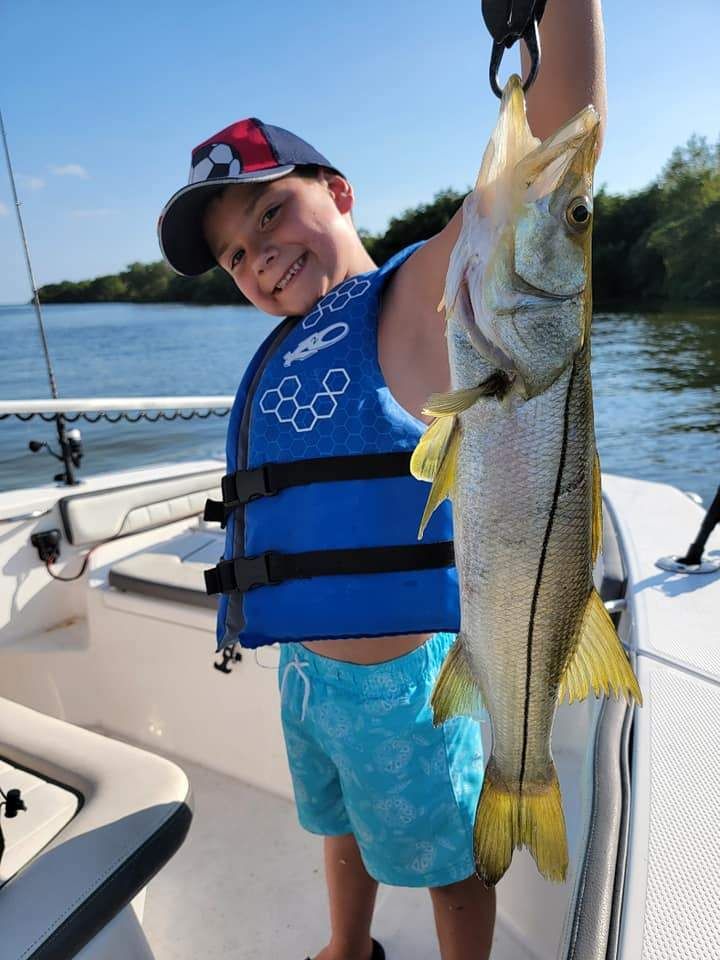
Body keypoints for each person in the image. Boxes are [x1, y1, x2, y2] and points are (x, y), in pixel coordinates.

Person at [157, 3, 606, 956]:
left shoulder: (417, 297)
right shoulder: (289, 344)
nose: (260, 254)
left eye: (273, 210)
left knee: (449, 871)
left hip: (406, 686)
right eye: (236, 254)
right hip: (310, 678)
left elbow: (563, 138)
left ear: (341, 192)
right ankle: (346, 948)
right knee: (337, 826)